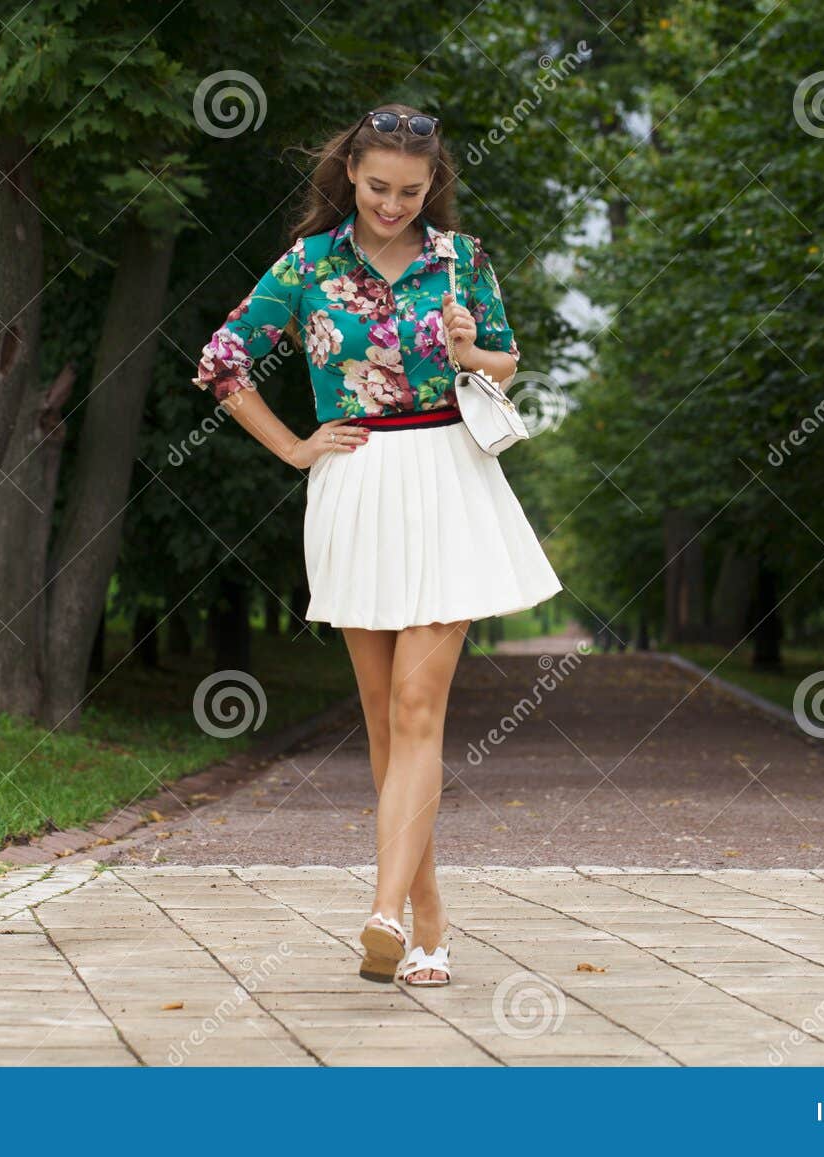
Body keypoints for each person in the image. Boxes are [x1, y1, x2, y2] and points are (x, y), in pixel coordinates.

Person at [191, 103, 562, 987]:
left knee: (418, 711)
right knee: (384, 729)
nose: (393, 204)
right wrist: (293, 446)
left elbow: (508, 363)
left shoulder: (461, 260)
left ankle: (383, 910)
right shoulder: (308, 265)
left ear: (434, 184)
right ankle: (429, 921)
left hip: (449, 479)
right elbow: (220, 362)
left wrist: (474, 350)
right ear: (349, 175)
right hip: (355, 483)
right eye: (377, 187)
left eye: (411, 189)